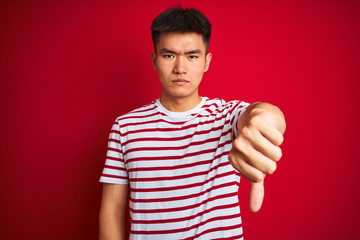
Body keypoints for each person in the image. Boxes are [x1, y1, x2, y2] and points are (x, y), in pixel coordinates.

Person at [99, 6, 286, 240]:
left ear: (206, 61)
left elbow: (259, 113)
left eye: (192, 56)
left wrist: (265, 119)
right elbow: (112, 212)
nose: (180, 68)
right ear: (154, 59)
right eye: (169, 55)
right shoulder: (125, 127)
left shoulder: (226, 117)